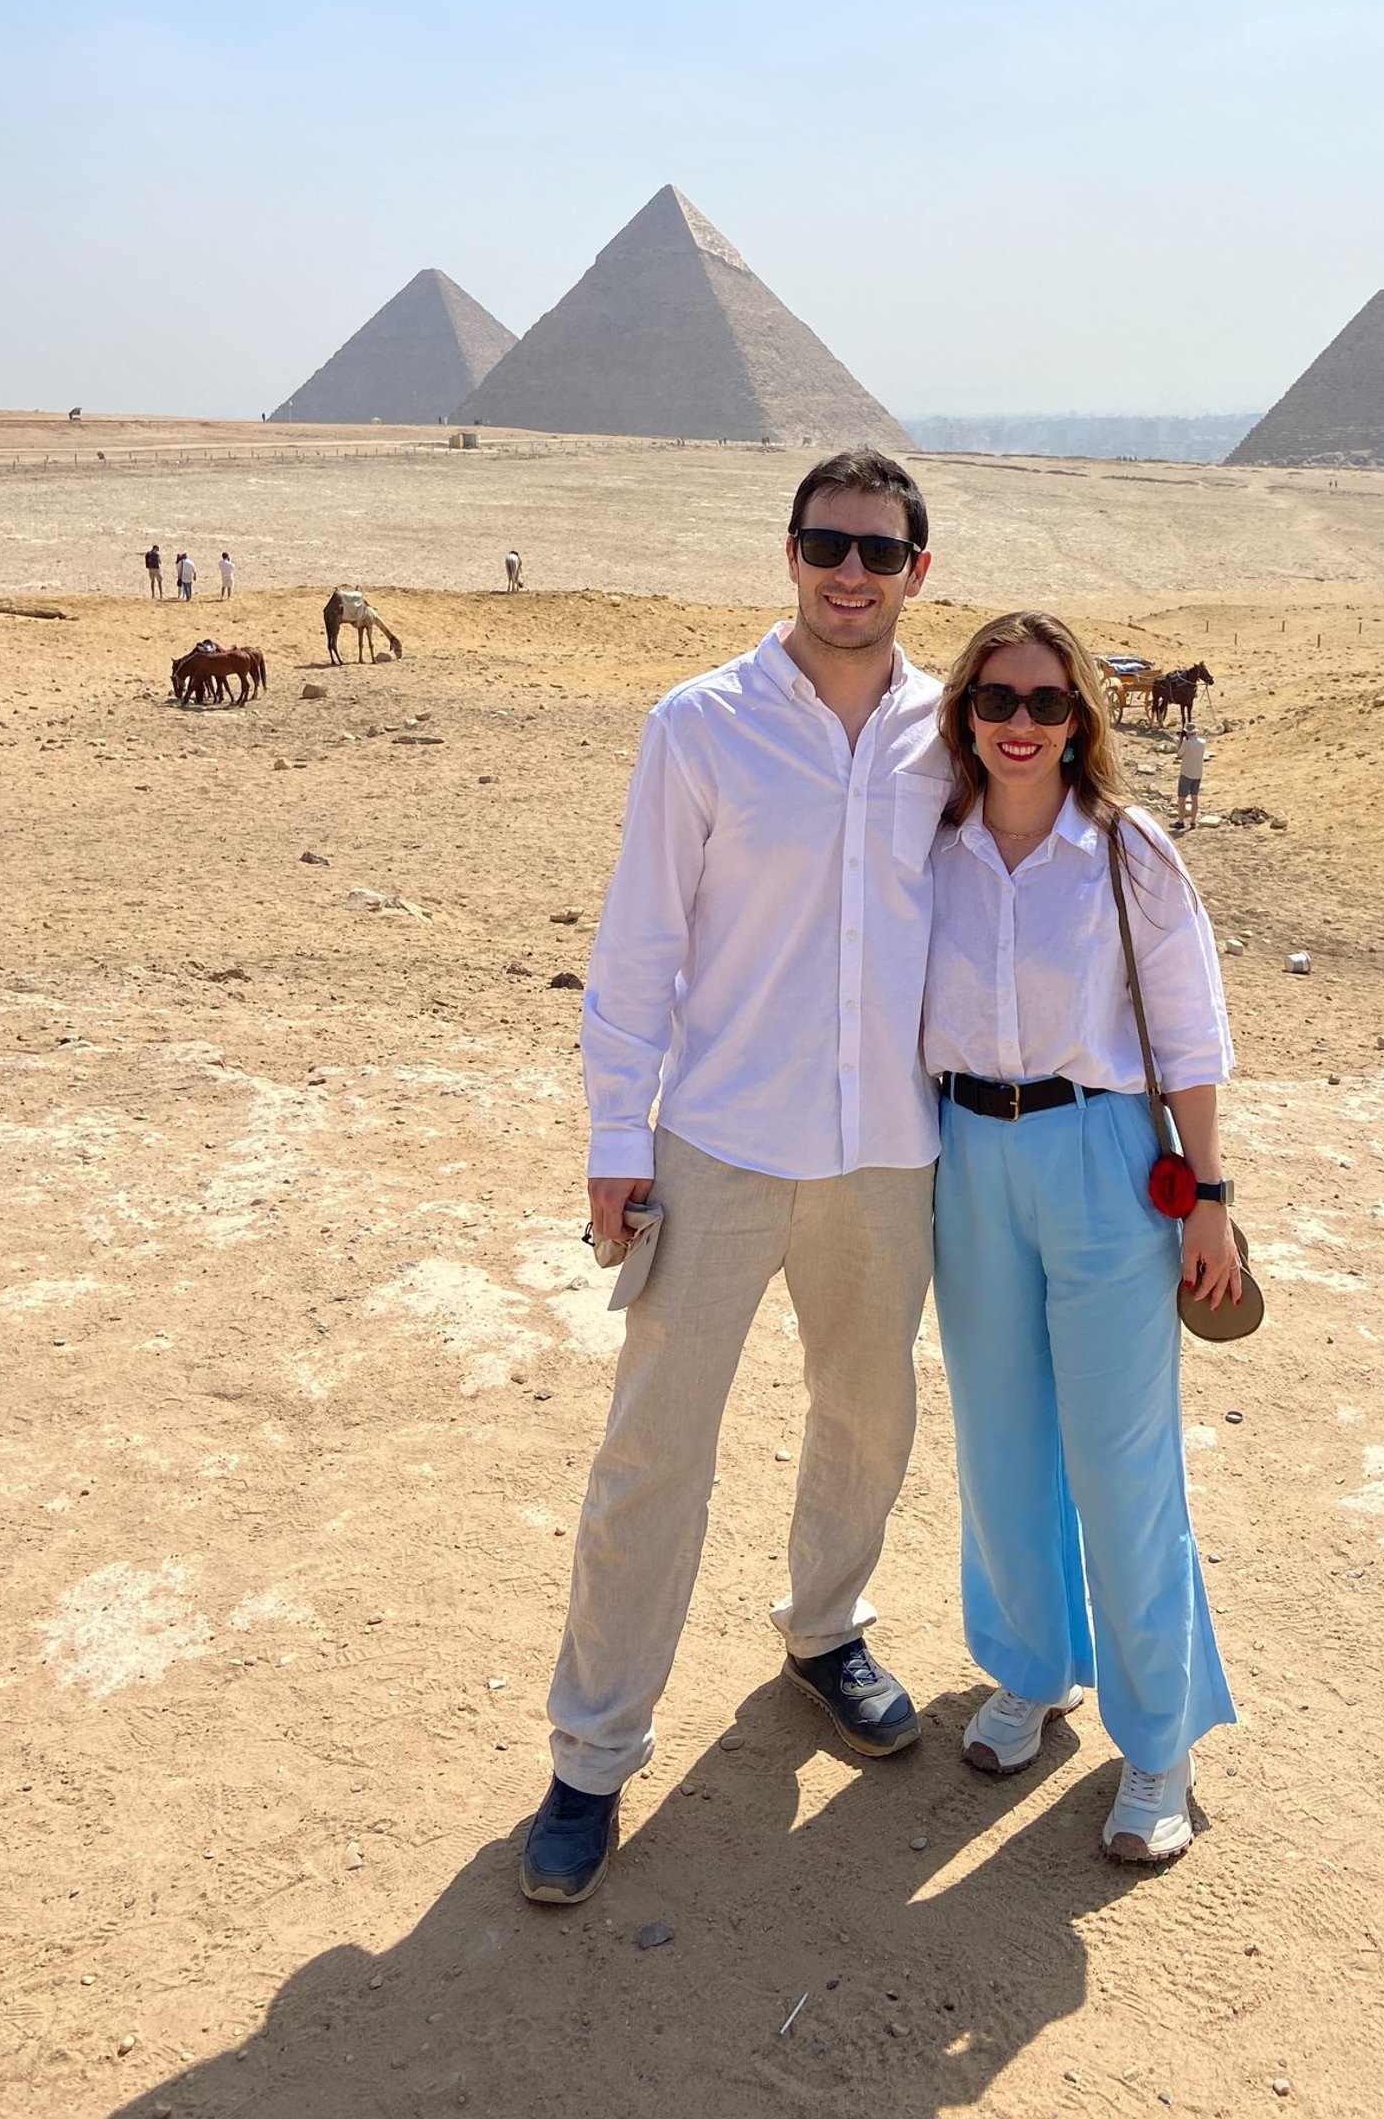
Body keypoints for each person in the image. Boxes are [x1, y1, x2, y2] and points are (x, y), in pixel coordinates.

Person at [520, 449, 952, 1908]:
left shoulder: (956, 732)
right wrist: (614, 1139)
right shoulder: (699, 724)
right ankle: (591, 1755)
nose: (851, 571)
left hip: (889, 1150)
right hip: (718, 1141)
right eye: (828, 543)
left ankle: (826, 1629)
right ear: (789, 553)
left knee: (867, 1419)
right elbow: (640, 941)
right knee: (652, 1452)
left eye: (878, 552)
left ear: (916, 572)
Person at [923, 610, 1240, 1865]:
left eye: (1047, 703)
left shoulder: (1129, 851)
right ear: (965, 712)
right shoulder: (927, 847)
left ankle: (1156, 1739)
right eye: (996, 698)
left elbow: (1194, 1034)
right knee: (999, 1437)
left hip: (1105, 1157)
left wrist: (1210, 1193)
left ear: (1080, 721)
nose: (1020, 723)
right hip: (964, 1156)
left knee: (1121, 1458)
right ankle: (1029, 1667)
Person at [1175, 722, 1208, 830]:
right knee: (1194, 798)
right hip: (1197, 773)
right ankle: (1193, 821)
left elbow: (1179, 754)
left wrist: (1181, 740)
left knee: (1182, 799)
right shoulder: (1202, 742)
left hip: (1186, 773)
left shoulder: (1186, 743)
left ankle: (1181, 821)